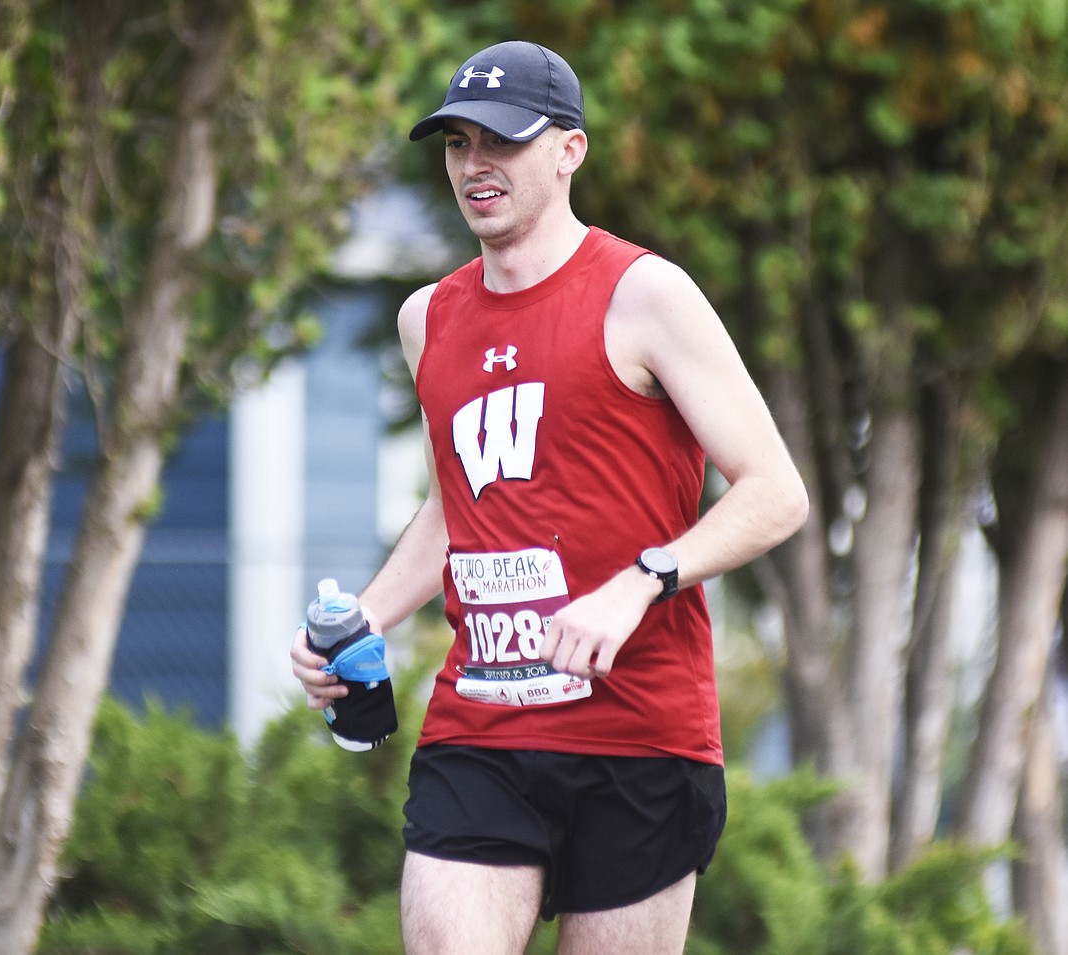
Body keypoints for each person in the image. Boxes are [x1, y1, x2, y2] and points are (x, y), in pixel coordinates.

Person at [291, 40, 809, 955]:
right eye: (455, 143)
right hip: (481, 724)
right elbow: (460, 501)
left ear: (569, 150)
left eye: (501, 141)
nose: (473, 165)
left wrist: (640, 579)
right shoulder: (429, 319)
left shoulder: (644, 294)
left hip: (640, 735)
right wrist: (364, 619)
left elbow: (775, 492)